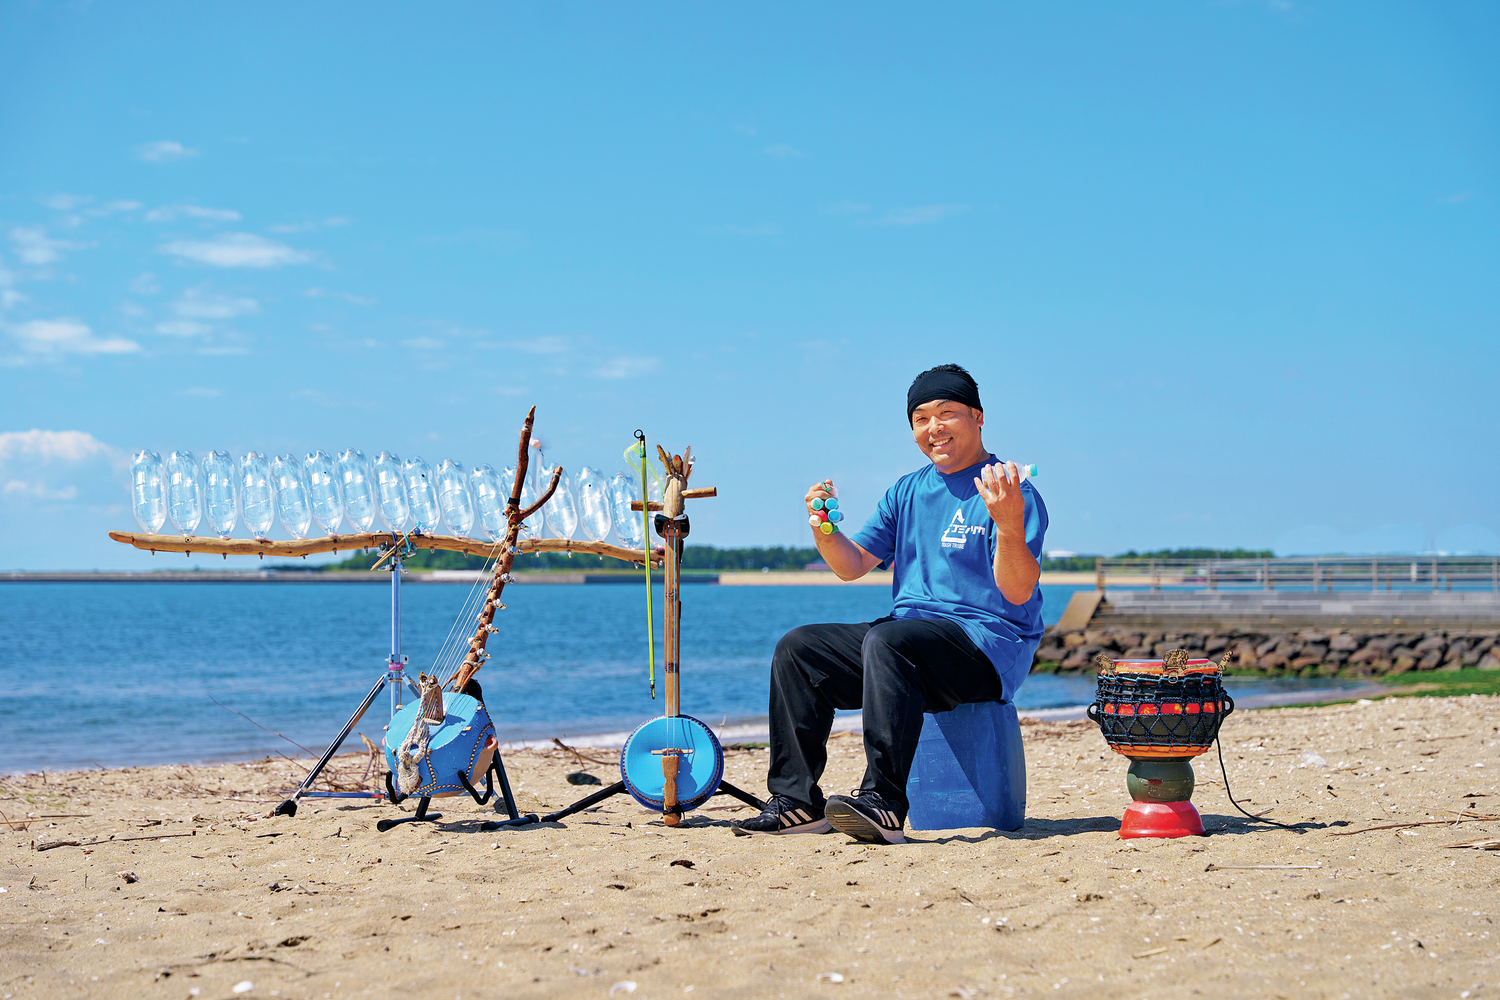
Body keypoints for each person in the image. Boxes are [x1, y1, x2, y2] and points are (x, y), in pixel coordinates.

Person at [732, 364, 1048, 844]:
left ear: (978, 417)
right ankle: (797, 801)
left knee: (889, 639)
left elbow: (1019, 591)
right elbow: (852, 564)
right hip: (905, 647)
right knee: (799, 649)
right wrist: (822, 526)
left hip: (987, 647)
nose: (933, 428)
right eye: (920, 419)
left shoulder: (1011, 489)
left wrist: (1006, 523)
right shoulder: (907, 490)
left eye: (947, 414)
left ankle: (883, 802)